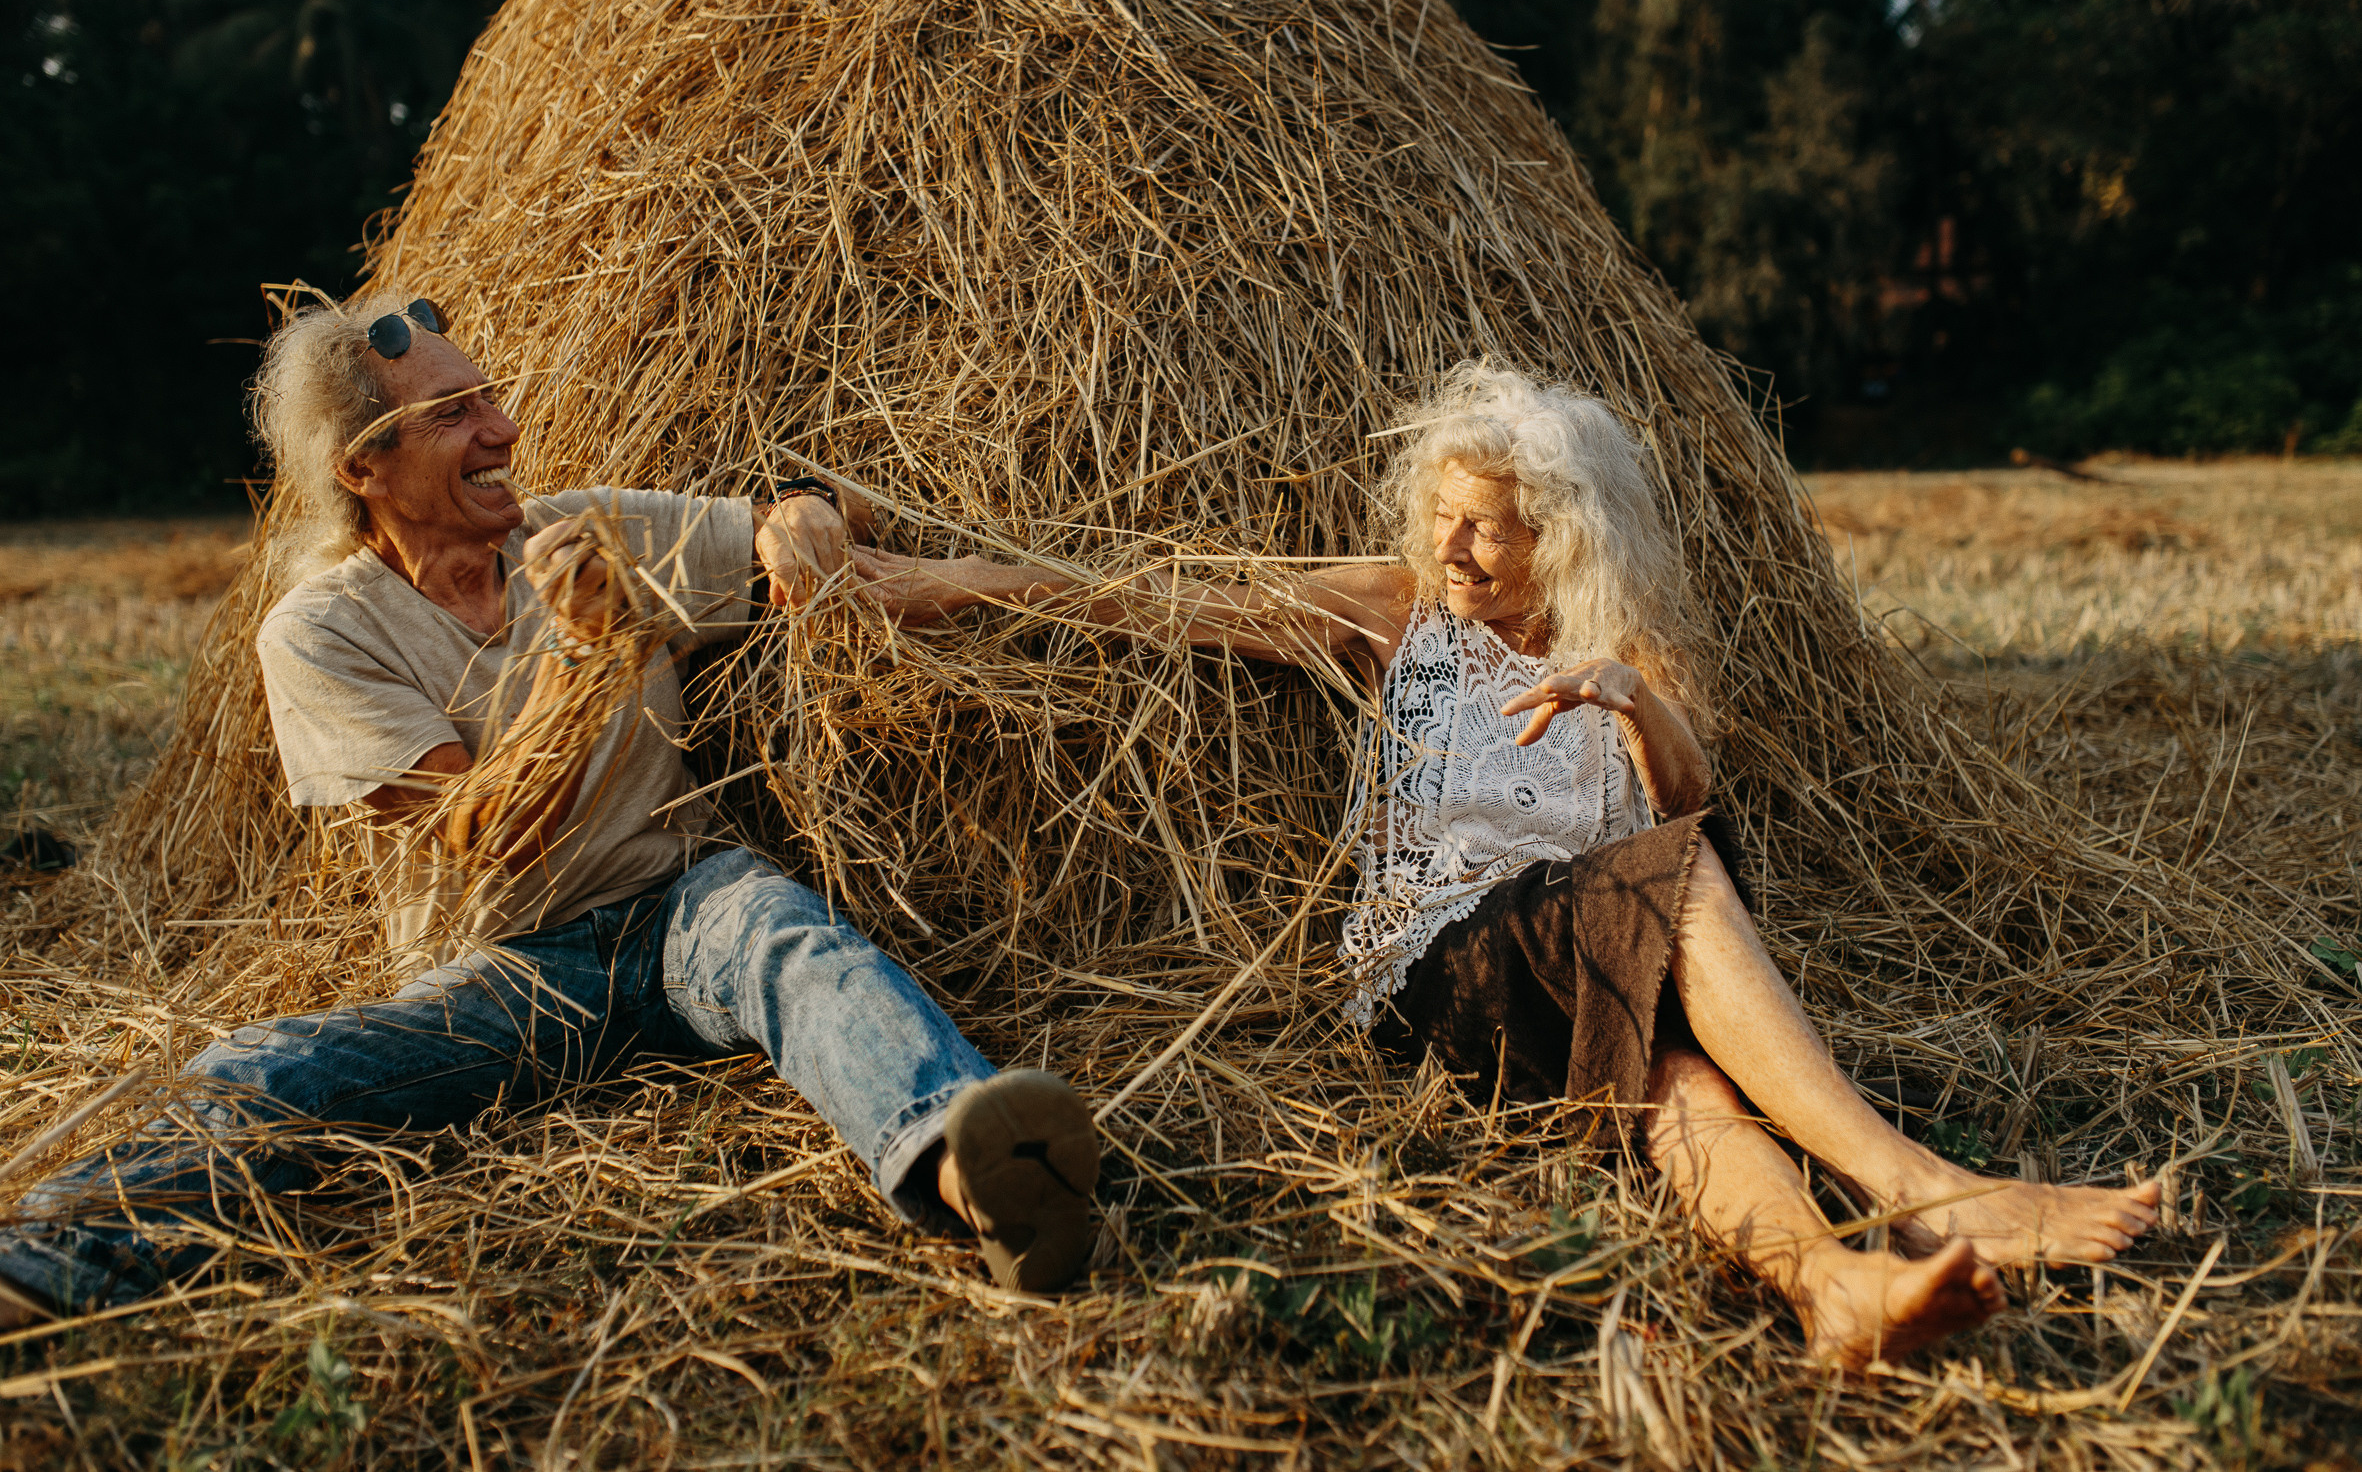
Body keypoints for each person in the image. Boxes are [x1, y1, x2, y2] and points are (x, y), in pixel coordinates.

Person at [847, 358, 2161, 1369]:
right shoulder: (1397, 609)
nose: (1452, 546)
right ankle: (1919, 1187)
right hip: (1441, 963)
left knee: (1681, 1082)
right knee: (1673, 877)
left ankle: (1831, 1285)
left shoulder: (1630, 639)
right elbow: (1153, 597)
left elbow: (1690, 798)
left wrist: (1631, 703)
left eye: (1485, 525)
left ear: (1560, 533)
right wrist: (938, 579)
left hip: (1592, 950)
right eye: (1440, 515)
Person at [0, 290, 1099, 1326]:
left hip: (685, 905)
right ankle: (47, 1266)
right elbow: (483, 833)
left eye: (489, 396)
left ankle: (976, 1174)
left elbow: (839, 543)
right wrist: (580, 655)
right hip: (509, 973)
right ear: (364, 467)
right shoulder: (321, 632)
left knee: (798, 952)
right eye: (454, 413)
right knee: (269, 1072)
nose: (505, 428)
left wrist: (802, 516)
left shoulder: (583, 528)